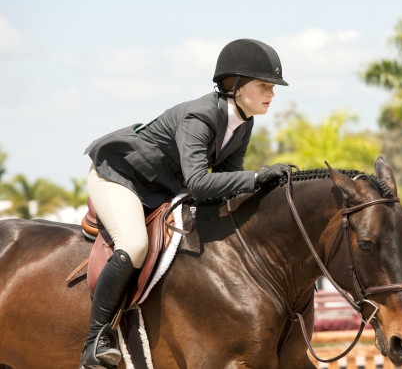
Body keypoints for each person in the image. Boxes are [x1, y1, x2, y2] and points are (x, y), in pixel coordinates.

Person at [79, 38, 292, 369]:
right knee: (134, 244)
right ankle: (95, 341)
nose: (272, 94)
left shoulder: (242, 123)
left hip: (161, 187)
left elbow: (223, 186)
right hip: (120, 177)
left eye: (273, 87)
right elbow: (199, 182)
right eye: (264, 85)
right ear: (235, 86)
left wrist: (262, 190)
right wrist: (256, 178)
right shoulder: (200, 116)